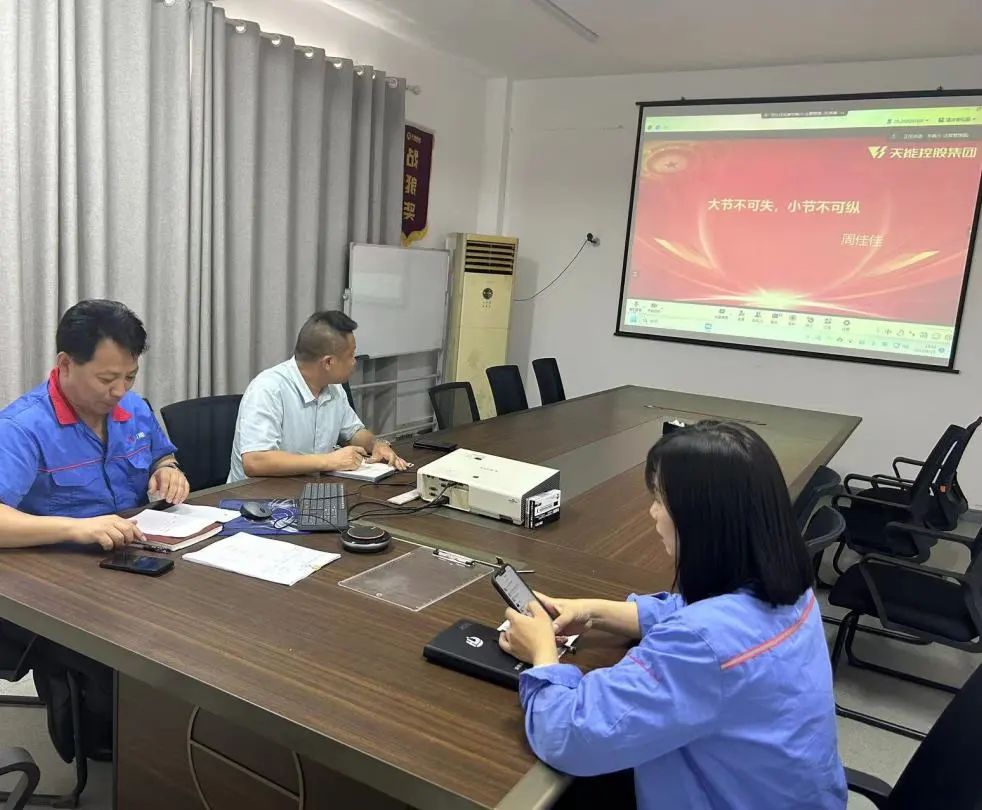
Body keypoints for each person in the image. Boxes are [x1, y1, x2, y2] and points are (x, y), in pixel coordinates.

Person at [499, 422, 847, 810]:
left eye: (660, 500)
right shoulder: (791, 591)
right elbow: (690, 612)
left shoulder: (701, 643)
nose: (652, 513)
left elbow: (569, 738)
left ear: (702, 520)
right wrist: (593, 613)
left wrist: (543, 654)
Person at [0, 299, 190, 550]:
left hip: (136, 550)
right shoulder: (21, 428)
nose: (120, 391)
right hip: (59, 561)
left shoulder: (134, 408)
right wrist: (76, 528)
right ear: (65, 365)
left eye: (130, 377)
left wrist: (167, 470)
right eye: (106, 379)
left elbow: (161, 456)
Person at [228, 310, 409, 482]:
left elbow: (353, 432)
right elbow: (255, 462)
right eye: (351, 355)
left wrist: (375, 444)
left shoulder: (334, 388)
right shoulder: (267, 389)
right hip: (255, 497)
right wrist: (329, 461)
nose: (354, 362)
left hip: (307, 489)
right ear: (328, 362)